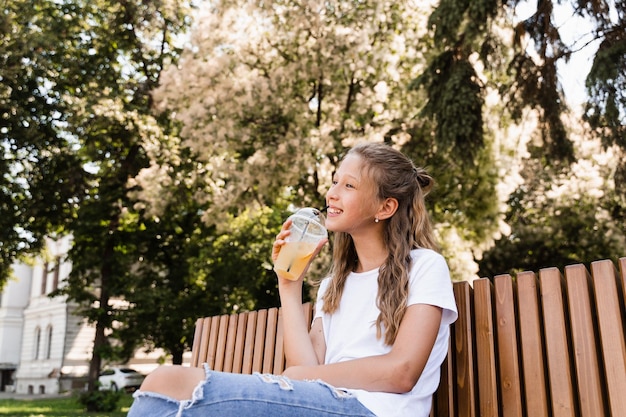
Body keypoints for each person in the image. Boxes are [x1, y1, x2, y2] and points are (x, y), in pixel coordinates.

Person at [127, 142, 458, 417]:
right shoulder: (334, 285)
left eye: (349, 185)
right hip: (326, 404)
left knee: (167, 381)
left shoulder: (425, 267)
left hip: (373, 410)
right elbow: (304, 370)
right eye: (334, 181)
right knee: (166, 386)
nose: (332, 193)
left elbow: (401, 372)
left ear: (385, 207)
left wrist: (306, 376)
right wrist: (288, 283)